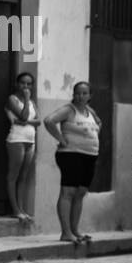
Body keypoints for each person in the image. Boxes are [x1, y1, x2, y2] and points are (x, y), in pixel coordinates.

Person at [43, 81, 101, 245]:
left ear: (90, 96)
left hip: (89, 156)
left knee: (81, 193)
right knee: (68, 192)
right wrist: (61, 139)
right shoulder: (69, 110)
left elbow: (98, 124)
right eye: (77, 93)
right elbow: (48, 121)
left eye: (84, 93)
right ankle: (66, 232)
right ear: (73, 94)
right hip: (70, 155)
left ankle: (75, 230)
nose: (80, 96)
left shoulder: (90, 112)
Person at [4, 71, 39, 224]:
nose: (26, 86)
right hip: (16, 139)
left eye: (29, 83)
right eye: (23, 83)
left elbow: (38, 121)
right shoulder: (13, 99)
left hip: (30, 140)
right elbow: (24, 116)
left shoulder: (32, 102)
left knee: (24, 177)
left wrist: (26, 122)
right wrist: (25, 99)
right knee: (14, 175)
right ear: (17, 84)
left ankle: (22, 209)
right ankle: (15, 210)